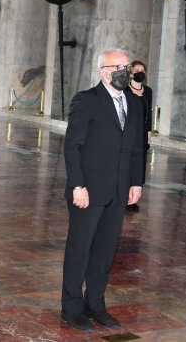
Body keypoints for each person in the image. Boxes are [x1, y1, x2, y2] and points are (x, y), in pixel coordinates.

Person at [60, 48, 143, 331]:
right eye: (118, 66)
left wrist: (136, 182)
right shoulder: (86, 100)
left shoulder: (135, 103)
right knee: (80, 250)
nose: (124, 70)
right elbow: (73, 147)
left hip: (118, 191)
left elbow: (136, 148)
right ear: (103, 72)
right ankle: (71, 308)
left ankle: (95, 303)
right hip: (88, 191)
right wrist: (78, 186)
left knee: (105, 252)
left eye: (126, 65)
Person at [125, 60, 152, 212]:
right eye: (137, 70)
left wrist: (149, 133)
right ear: (130, 73)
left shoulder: (148, 91)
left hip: (142, 132)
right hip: (129, 130)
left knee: (140, 162)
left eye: (142, 70)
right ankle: (124, 192)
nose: (140, 72)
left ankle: (134, 194)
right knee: (127, 160)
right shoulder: (125, 91)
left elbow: (149, 114)